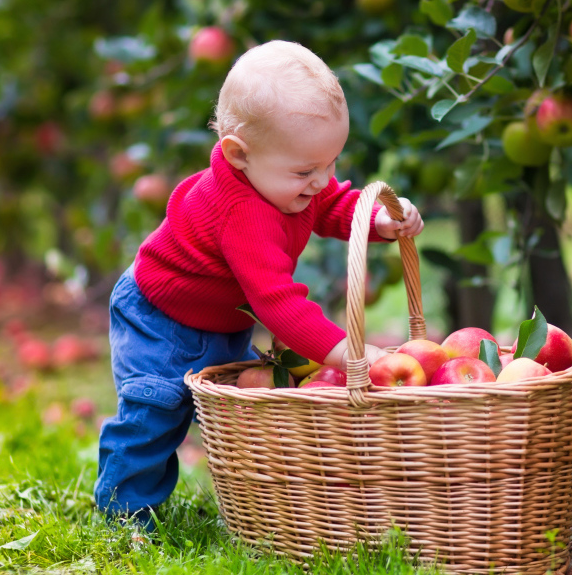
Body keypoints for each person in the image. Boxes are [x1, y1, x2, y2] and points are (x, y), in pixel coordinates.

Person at [94, 40, 425, 529]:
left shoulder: (286, 179)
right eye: (307, 171)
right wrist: (348, 352)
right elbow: (276, 301)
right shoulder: (241, 212)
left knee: (235, 410)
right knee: (156, 410)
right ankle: (123, 514)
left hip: (218, 314)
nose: (322, 180)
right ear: (239, 155)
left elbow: (329, 205)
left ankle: (254, 504)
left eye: (332, 163)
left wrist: (376, 221)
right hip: (160, 316)